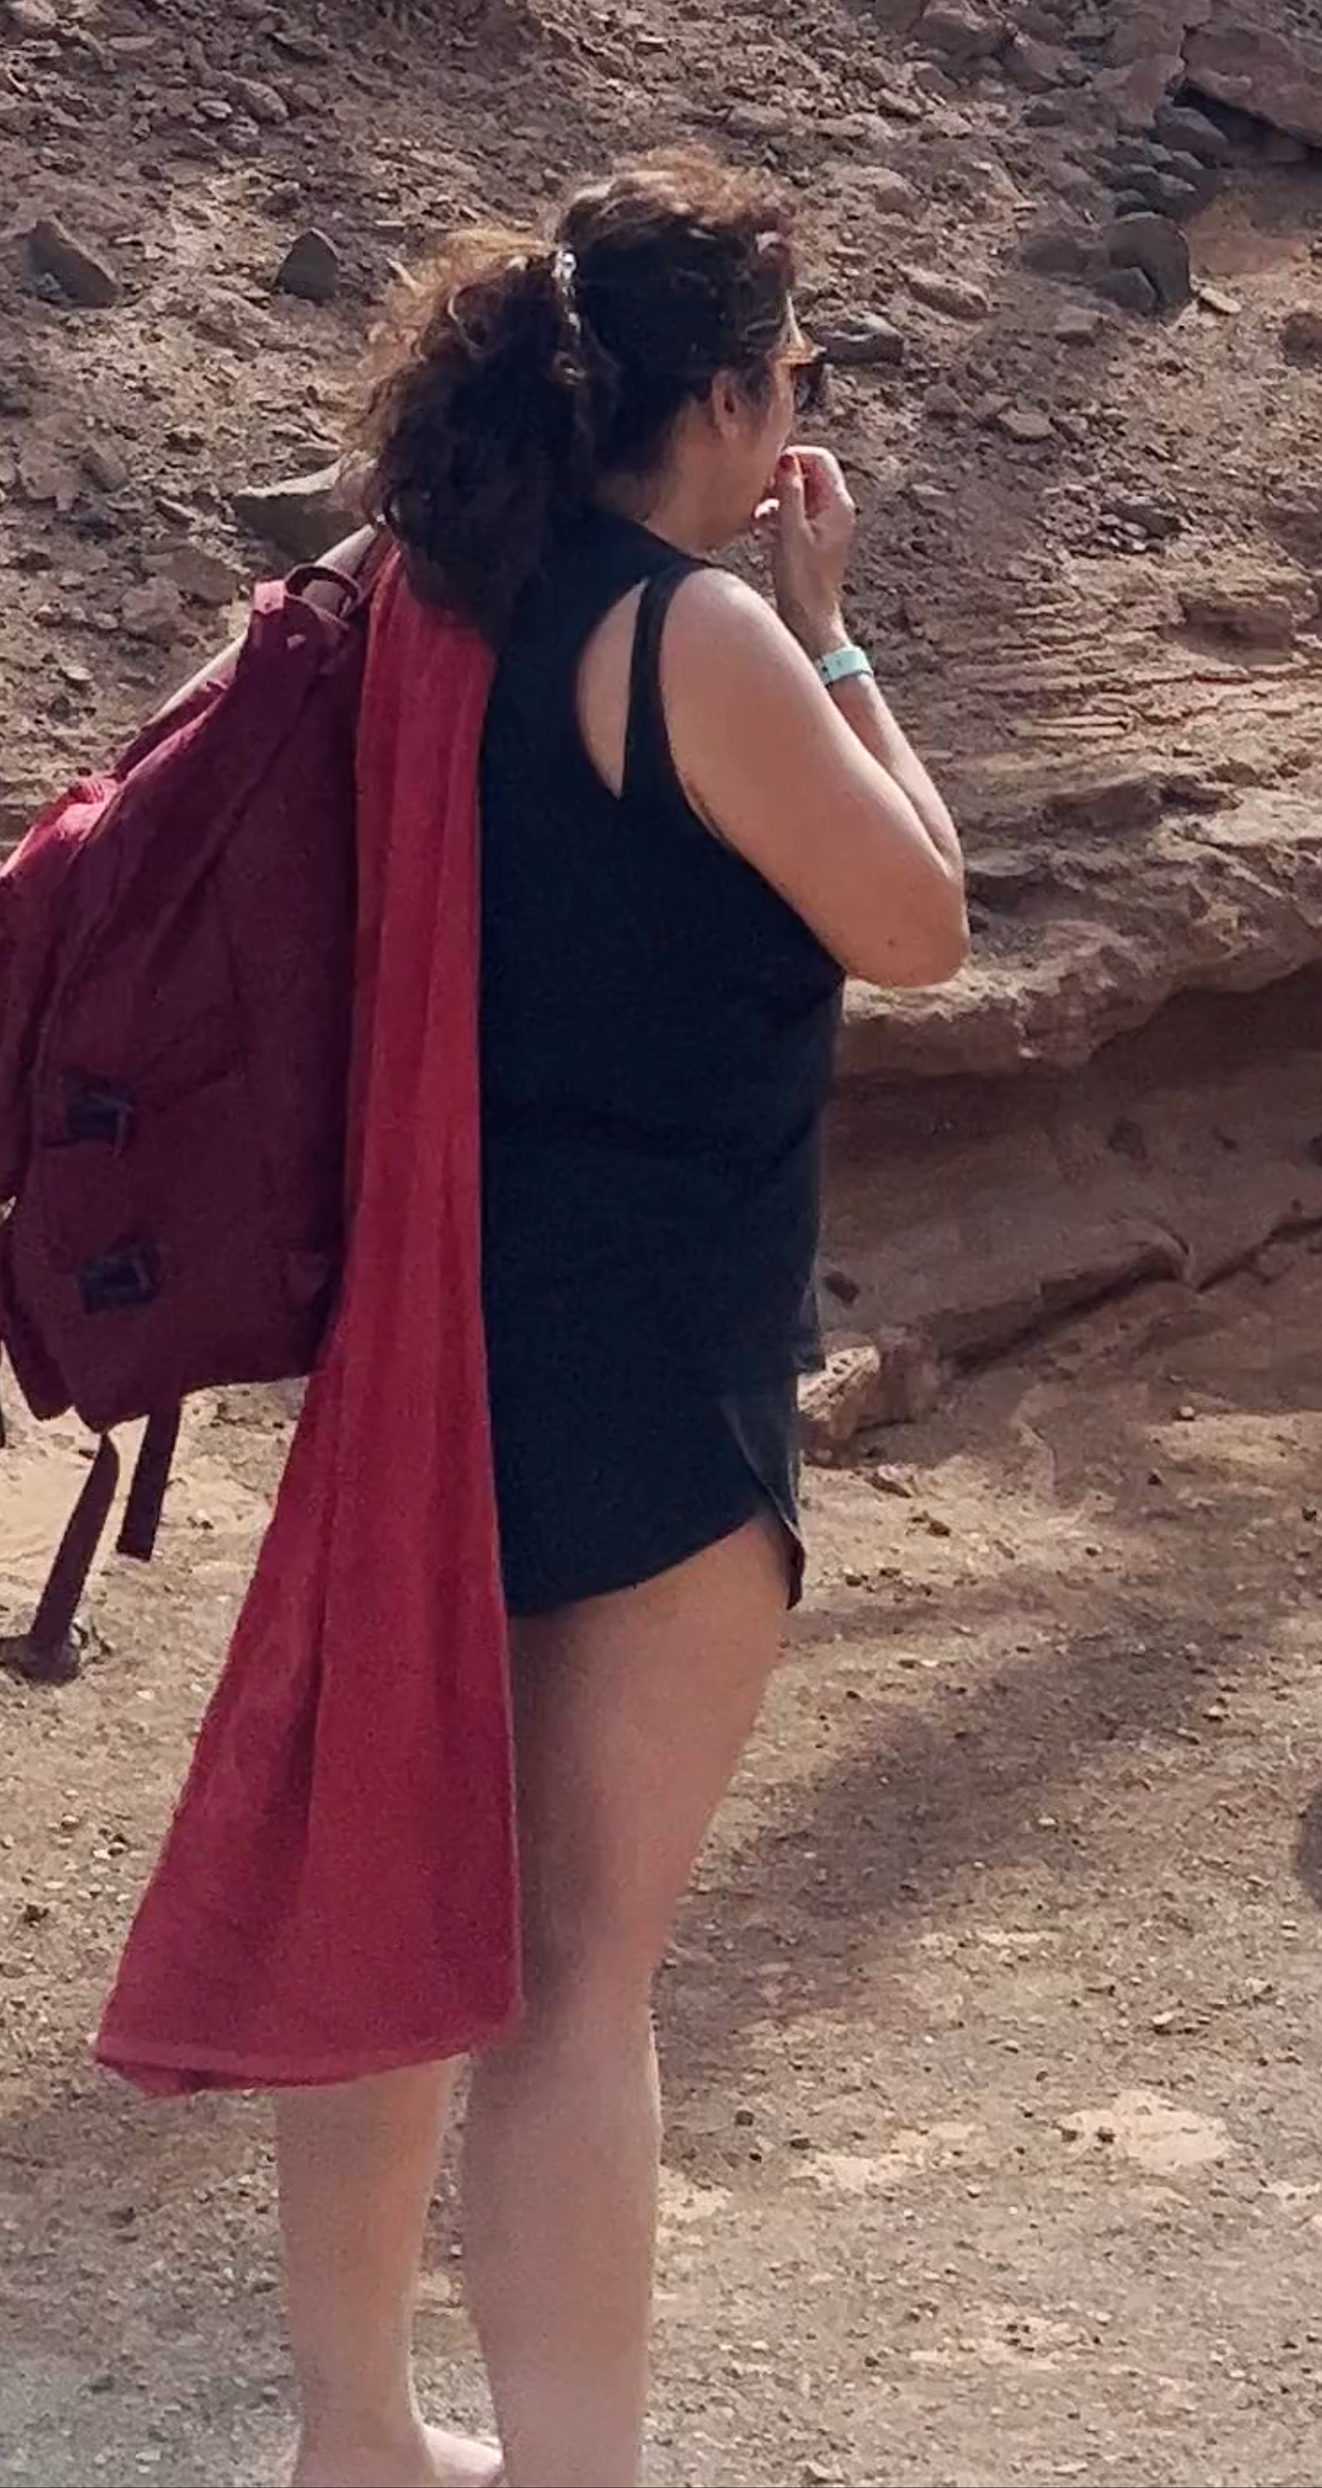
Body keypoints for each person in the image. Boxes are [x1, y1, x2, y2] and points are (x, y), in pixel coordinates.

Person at [129, 160, 967, 2488]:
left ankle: (353, 2435)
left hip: (426, 1326)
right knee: (580, 1975)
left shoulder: (425, 589)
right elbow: (914, 918)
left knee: (408, 1879)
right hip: (650, 1348)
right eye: (789, 380)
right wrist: (833, 635)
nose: (798, 417)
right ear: (712, 402)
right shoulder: (689, 635)